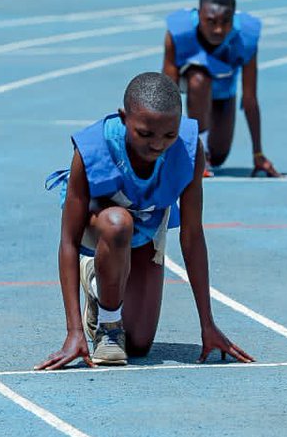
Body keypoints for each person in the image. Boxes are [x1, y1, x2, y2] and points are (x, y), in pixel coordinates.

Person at [36, 71, 253, 369]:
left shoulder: (188, 151)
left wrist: (208, 324)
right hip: (100, 224)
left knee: (139, 344)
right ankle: (108, 325)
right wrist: (74, 332)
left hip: (146, 222)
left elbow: (192, 235)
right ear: (124, 118)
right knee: (118, 223)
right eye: (146, 134)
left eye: (169, 135)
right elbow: (68, 241)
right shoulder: (93, 148)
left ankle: (101, 287)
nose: (158, 145)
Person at [161, 0, 281, 178]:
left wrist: (258, 153)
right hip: (195, 86)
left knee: (218, 156)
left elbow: (249, 98)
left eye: (225, 22)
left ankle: (208, 154)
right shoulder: (179, 33)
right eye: (211, 21)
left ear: (233, 18)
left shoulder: (246, 37)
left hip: (224, 90)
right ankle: (200, 153)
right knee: (198, 80)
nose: (218, 29)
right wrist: (165, 148)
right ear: (199, 15)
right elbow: (167, 94)